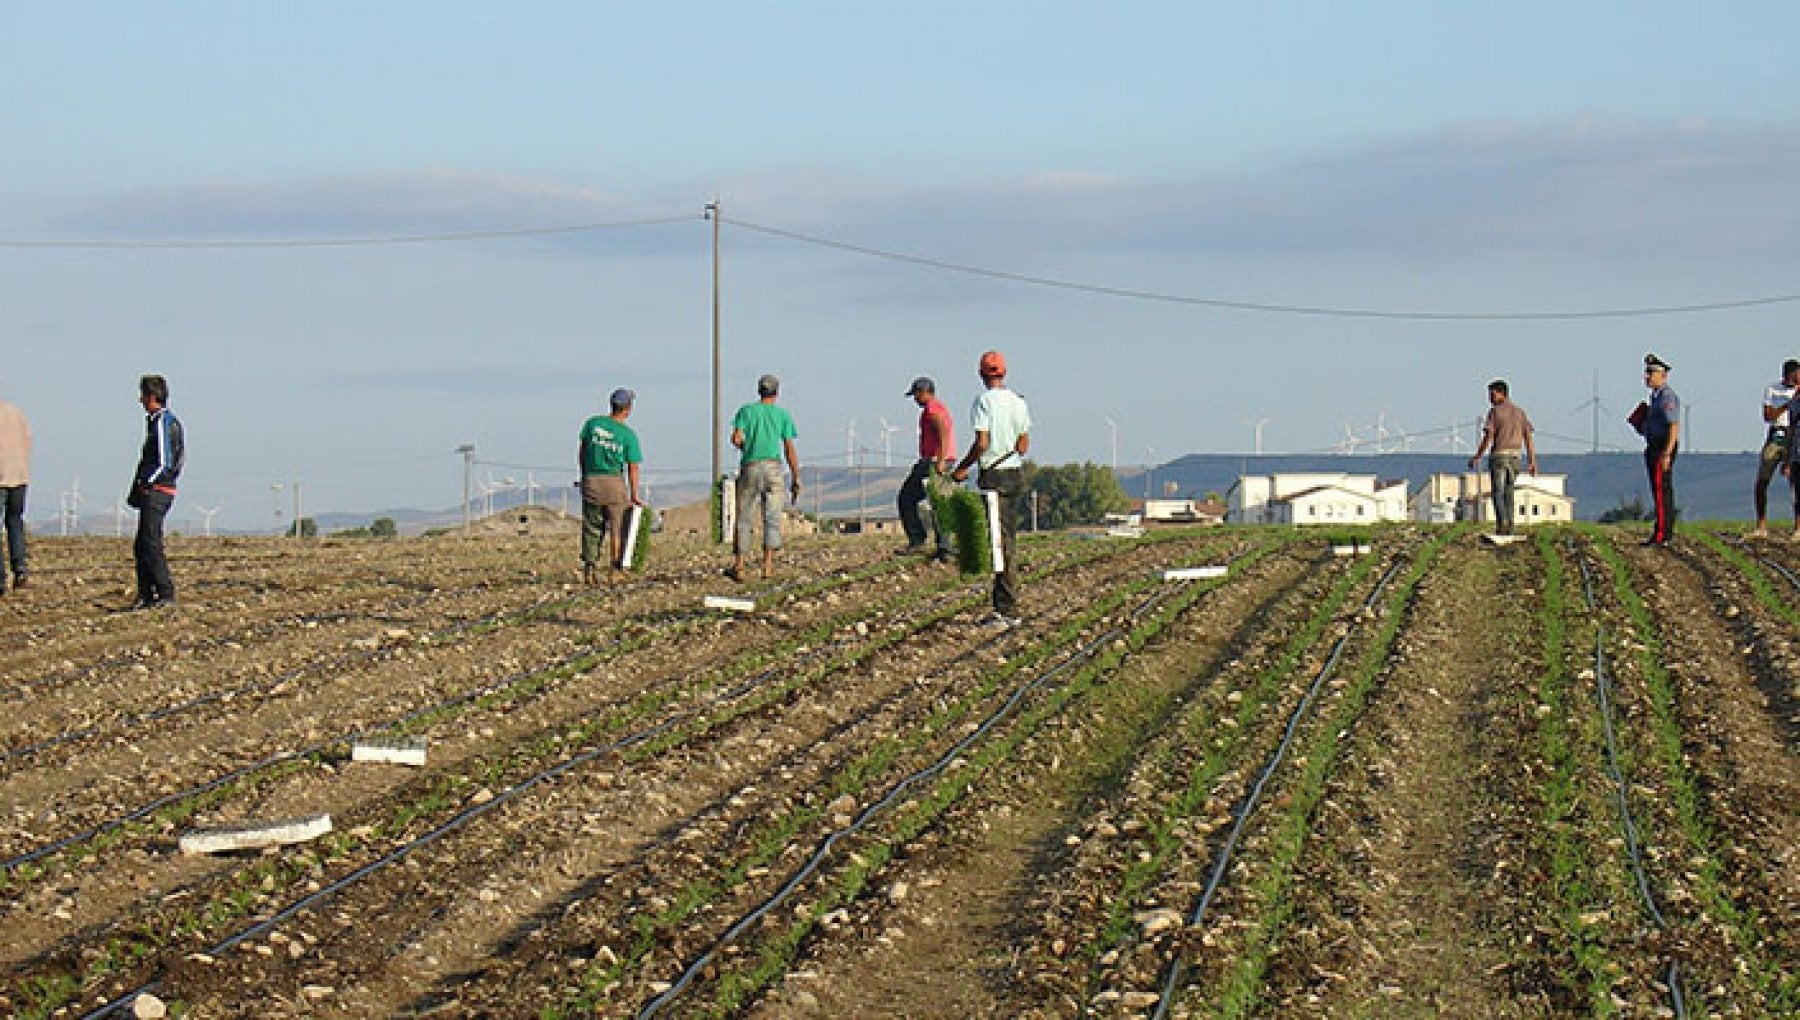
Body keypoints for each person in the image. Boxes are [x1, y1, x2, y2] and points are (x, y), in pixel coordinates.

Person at [952, 350, 1031, 626]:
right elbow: (1023, 445)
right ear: (1004, 372)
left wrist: (963, 467)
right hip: (1015, 474)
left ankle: (1006, 610)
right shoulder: (1019, 402)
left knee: (999, 543)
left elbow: (982, 443)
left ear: (981, 374)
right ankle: (1005, 604)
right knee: (1007, 537)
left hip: (993, 476)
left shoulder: (983, 402)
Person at [728, 374, 801, 581]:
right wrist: (796, 475)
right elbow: (789, 448)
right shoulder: (782, 415)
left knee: (744, 517)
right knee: (772, 517)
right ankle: (767, 566)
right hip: (773, 467)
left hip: (750, 466)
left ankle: (739, 565)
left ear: (759, 390)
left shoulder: (746, 411)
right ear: (777, 392)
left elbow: (736, 438)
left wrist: (746, 447)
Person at [577, 388, 644, 585]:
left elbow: (582, 452)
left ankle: (590, 567)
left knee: (592, 527)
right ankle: (615, 569)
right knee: (617, 527)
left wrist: (585, 475)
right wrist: (634, 494)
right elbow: (632, 467)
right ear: (628, 409)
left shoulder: (592, 424)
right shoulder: (628, 436)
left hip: (591, 480)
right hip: (614, 483)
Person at [128, 374, 184, 609]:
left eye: (143, 395)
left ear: (152, 397)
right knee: (142, 543)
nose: (140, 400)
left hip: (158, 489)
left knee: (150, 543)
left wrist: (146, 482)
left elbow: (164, 461)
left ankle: (164, 592)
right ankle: (146, 594)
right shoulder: (160, 421)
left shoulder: (162, 422)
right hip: (158, 489)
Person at [1466, 379, 1539, 535]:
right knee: (1509, 491)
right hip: (1516, 457)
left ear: (1502, 394)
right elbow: (1528, 438)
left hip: (1499, 455)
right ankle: (1511, 525)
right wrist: (1532, 461)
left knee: (1497, 491)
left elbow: (1489, 435)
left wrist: (1478, 455)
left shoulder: (1495, 412)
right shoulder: (1520, 413)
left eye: (1493, 395)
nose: (1490, 399)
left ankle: (1502, 523)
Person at [896, 376, 955, 562]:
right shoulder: (940, 407)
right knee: (939, 504)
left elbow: (943, 433)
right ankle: (944, 548)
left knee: (907, 497)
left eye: (916, 394)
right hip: (943, 460)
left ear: (924, 392)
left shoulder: (932, 410)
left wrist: (940, 460)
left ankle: (918, 540)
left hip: (934, 461)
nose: (915, 399)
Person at [1632, 353, 1680, 546]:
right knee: (1658, 489)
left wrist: (1667, 453)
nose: (1647, 377)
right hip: (1653, 444)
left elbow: (1674, 425)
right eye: (1647, 373)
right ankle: (1662, 530)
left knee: (1662, 490)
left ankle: (1662, 533)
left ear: (1662, 375)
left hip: (1662, 446)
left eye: (1651, 373)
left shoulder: (1667, 397)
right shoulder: (1656, 397)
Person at [1752, 359, 1799, 537]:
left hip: (1795, 437)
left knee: (1796, 484)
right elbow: (1768, 415)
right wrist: (1788, 405)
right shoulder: (1772, 389)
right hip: (1777, 435)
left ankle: (1797, 527)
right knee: (1762, 480)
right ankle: (1761, 525)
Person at [0, 392, 30, 594]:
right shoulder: (16, 412)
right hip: (19, 476)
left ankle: (0, 579)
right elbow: (28, 439)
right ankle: (20, 569)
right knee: (15, 522)